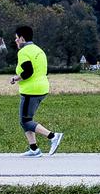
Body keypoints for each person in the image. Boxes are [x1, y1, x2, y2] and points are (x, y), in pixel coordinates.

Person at [10, 25, 64, 156]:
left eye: (16, 38)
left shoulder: (23, 52)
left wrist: (16, 78)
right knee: (27, 119)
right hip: (42, 88)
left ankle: (53, 136)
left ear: (22, 38)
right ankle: (34, 149)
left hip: (31, 90)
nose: (15, 41)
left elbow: (28, 71)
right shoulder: (39, 50)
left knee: (25, 121)